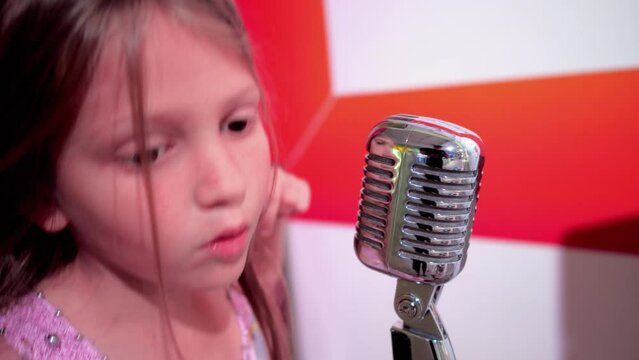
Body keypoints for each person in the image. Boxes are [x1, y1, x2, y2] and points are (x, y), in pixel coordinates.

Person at [0, 0, 310, 359]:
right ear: (43, 193)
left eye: (237, 123)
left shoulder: (232, 279)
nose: (228, 185)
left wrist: (266, 270)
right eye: (150, 153)